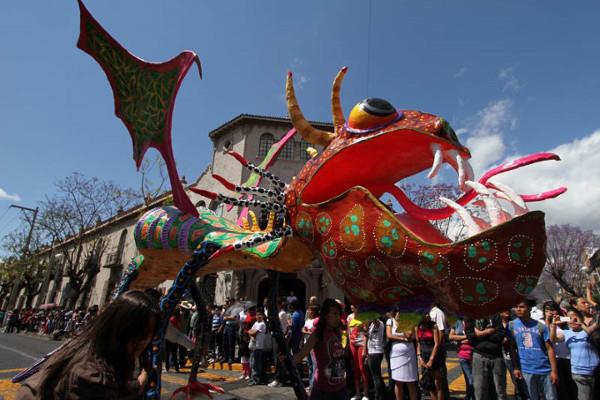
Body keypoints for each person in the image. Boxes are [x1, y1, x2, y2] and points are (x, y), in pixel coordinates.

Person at [16, 290, 158, 400]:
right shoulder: (93, 376)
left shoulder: (83, 344)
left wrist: (138, 384)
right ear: (122, 327)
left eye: (150, 333)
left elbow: (116, 390)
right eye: (141, 332)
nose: (146, 339)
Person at [293, 299, 347, 400]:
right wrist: (287, 361)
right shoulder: (317, 334)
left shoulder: (337, 333)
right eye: (334, 314)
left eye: (339, 314)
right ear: (325, 315)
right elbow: (301, 355)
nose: (337, 317)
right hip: (323, 390)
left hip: (341, 388)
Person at [508, 300, 558, 400]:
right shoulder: (511, 326)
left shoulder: (540, 326)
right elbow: (512, 348)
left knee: (551, 397)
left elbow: (549, 349)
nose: (518, 309)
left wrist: (554, 371)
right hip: (526, 369)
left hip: (544, 369)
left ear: (529, 309)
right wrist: (516, 367)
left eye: (522, 307)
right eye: (516, 307)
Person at [550, 308, 599, 400]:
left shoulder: (589, 329)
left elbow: (590, 332)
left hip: (594, 371)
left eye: (575, 317)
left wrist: (581, 324)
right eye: (569, 318)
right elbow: (553, 339)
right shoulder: (567, 333)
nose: (572, 320)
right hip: (578, 373)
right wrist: (553, 324)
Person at [466, 315, 508, 400]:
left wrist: (479, 334)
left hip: (496, 357)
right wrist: (489, 331)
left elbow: (500, 336)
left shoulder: (496, 316)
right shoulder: (471, 316)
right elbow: (470, 336)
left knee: (500, 391)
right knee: (480, 390)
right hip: (479, 355)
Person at [541, 301, 577, 399]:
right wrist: (549, 322)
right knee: (561, 387)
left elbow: (573, 321)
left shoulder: (563, 320)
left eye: (552, 309)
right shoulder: (541, 323)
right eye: (547, 310)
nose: (550, 312)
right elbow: (548, 338)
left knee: (572, 386)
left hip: (569, 357)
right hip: (555, 359)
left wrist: (561, 320)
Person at [386, 309, 418, 400]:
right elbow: (389, 335)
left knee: (410, 382)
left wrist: (401, 324)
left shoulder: (409, 320)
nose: (399, 314)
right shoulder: (390, 321)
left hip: (408, 354)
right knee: (398, 382)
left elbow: (409, 335)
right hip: (396, 355)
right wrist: (402, 339)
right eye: (398, 312)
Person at [416, 313, 443, 400]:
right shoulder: (418, 325)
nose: (427, 315)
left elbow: (436, 344)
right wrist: (419, 357)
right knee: (429, 382)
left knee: (437, 383)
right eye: (425, 313)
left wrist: (431, 359)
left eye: (428, 313)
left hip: (433, 355)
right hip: (423, 355)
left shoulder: (433, 325)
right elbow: (418, 342)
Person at [449, 318, 474, 400]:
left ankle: (473, 396)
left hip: (474, 353)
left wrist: (459, 339)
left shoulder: (472, 320)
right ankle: (469, 394)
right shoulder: (457, 322)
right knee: (467, 377)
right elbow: (451, 336)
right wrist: (467, 337)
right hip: (462, 354)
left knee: (472, 377)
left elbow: (475, 336)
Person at [347, 305, 368, 400]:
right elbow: (348, 332)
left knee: (362, 368)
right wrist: (348, 344)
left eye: (354, 306)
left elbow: (366, 333)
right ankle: (358, 393)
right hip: (352, 344)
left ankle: (366, 394)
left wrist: (365, 348)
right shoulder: (349, 317)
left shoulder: (363, 317)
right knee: (355, 369)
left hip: (361, 344)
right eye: (352, 306)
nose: (352, 307)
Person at [367, 317, 385, 400]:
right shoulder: (371, 324)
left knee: (376, 377)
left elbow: (375, 320)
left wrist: (371, 311)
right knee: (377, 375)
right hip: (371, 351)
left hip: (376, 352)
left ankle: (378, 397)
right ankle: (383, 393)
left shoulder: (379, 323)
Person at [248, 309, 268, 385]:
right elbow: (250, 331)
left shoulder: (262, 324)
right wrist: (251, 333)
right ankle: (253, 378)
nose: (258, 316)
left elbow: (253, 332)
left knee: (256, 364)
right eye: (257, 315)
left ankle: (257, 379)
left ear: (263, 316)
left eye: (260, 315)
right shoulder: (256, 323)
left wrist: (252, 333)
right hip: (254, 346)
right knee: (252, 363)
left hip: (258, 346)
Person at [221, 298, 239, 371]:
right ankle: (226, 357)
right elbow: (223, 316)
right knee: (225, 342)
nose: (229, 303)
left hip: (232, 326)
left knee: (231, 343)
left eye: (230, 302)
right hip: (227, 326)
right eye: (228, 302)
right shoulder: (228, 309)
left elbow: (233, 317)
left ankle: (231, 358)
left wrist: (226, 317)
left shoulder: (235, 309)